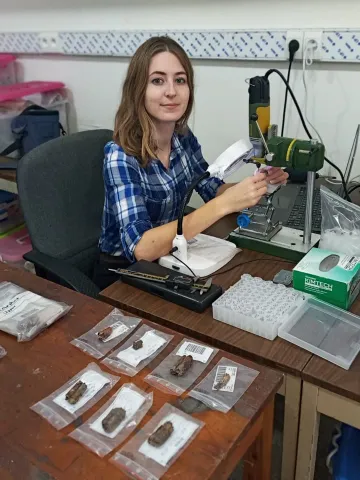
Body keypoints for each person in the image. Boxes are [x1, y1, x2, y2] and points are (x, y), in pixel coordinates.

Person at [94, 36, 288, 289]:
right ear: (137, 89)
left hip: (172, 255)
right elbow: (141, 248)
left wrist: (257, 186)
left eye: (180, 80)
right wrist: (223, 205)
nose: (171, 91)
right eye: (157, 80)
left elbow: (211, 189)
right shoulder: (121, 156)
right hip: (124, 274)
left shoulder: (183, 139)